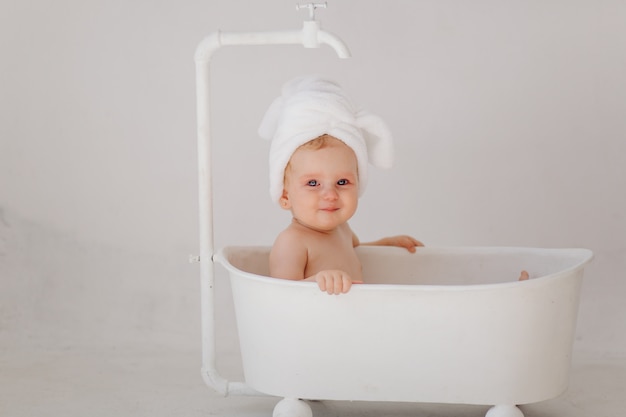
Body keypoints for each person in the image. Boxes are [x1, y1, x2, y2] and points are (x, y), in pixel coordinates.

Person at [258, 76, 422, 294]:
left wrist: (385, 245)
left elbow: (354, 254)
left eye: (342, 182)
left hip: (347, 326)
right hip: (310, 328)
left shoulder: (342, 230)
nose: (330, 194)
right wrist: (318, 281)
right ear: (285, 195)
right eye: (313, 183)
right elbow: (280, 295)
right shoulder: (292, 242)